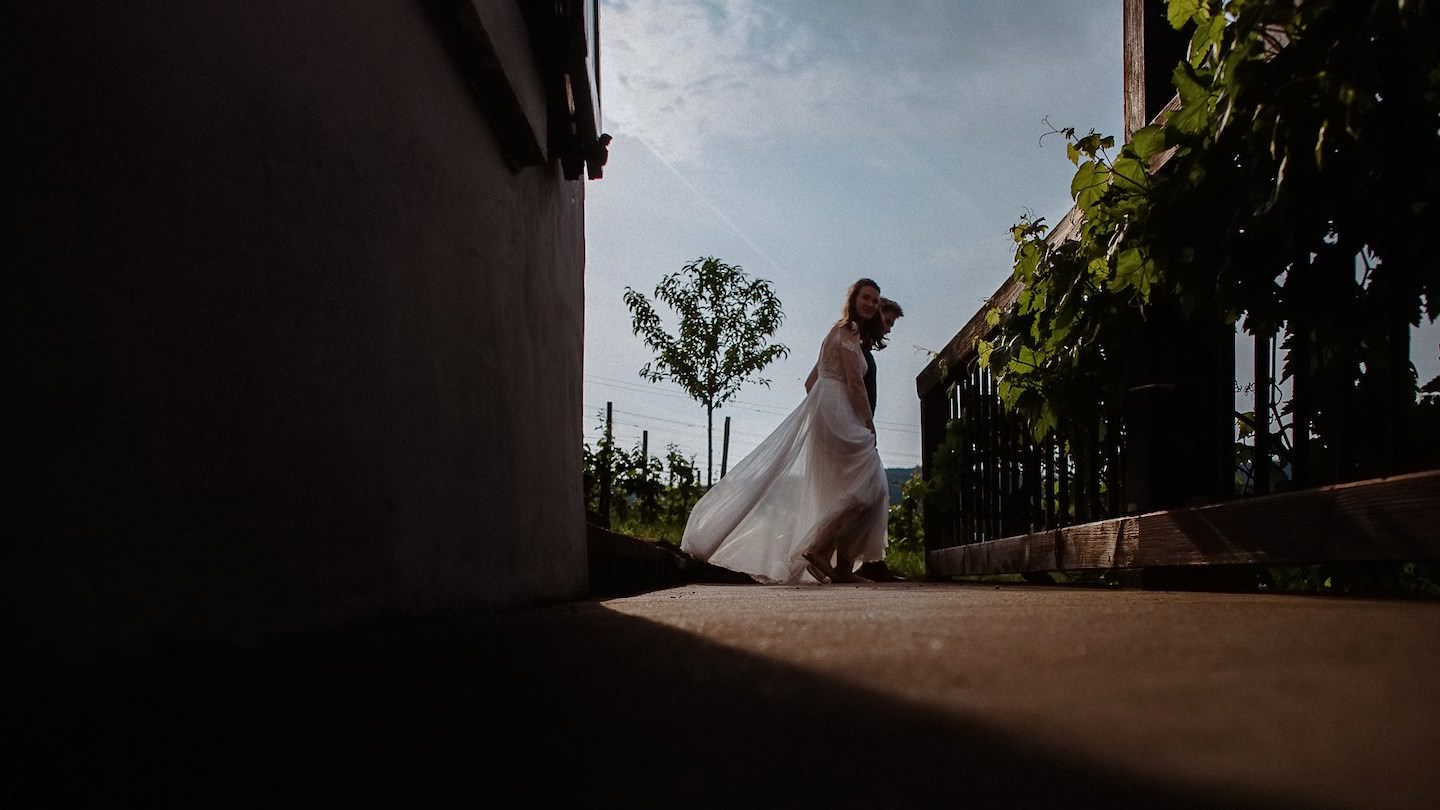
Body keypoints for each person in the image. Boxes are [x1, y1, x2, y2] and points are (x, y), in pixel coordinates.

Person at [681, 279, 890, 584]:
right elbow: (855, 384)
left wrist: (822, 407)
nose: (871, 304)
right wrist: (866, 422)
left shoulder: (840, 333)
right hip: (840, 411)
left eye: (875, 300)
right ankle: (819, 548)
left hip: (828, 409)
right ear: (853, 299)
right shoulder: (849, 331)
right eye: (866, 298)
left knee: (854, 486)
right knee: (870, 483)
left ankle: (841, 567)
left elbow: (810, 383)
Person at [856, 297, 908, 582]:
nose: (888, 330)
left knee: (874, 493)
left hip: (860, 429)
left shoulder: (863, 350)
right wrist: (863, 426)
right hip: (857, 430)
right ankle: (868, 561)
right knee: (873, 492)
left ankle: (870, 561)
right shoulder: (855, 348)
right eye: (887, 322)